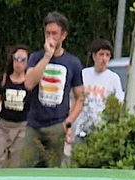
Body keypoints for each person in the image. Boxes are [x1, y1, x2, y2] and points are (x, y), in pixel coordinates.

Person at [13, 12, 79, 166]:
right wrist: (47, 57)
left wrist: (67, 124)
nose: (50, 37)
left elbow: (80, 97)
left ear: (63, 35)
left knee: (51, 171)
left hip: (57, 125)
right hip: (34, 124)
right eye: (47, 33)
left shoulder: (72, 63)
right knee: (24, 167)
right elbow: (29, 83)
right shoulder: (36, 57)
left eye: (54, 33)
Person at [0, 43, 31, 166]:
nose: (18, 63)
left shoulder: (30, 83)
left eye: (22, 60)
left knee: (16, 162)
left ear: (27, 62)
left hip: (22, 127)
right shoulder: (4, 80)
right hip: (4, 126)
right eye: (16, 59)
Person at [72, 39, 120, 141]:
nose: (104, 59)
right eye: (101, 54)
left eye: (107, 55)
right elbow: (75, 99)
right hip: (81, 130)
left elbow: (118, 103)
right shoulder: (84, 74)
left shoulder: (113, 78)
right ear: (94, 56)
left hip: (102, 132)